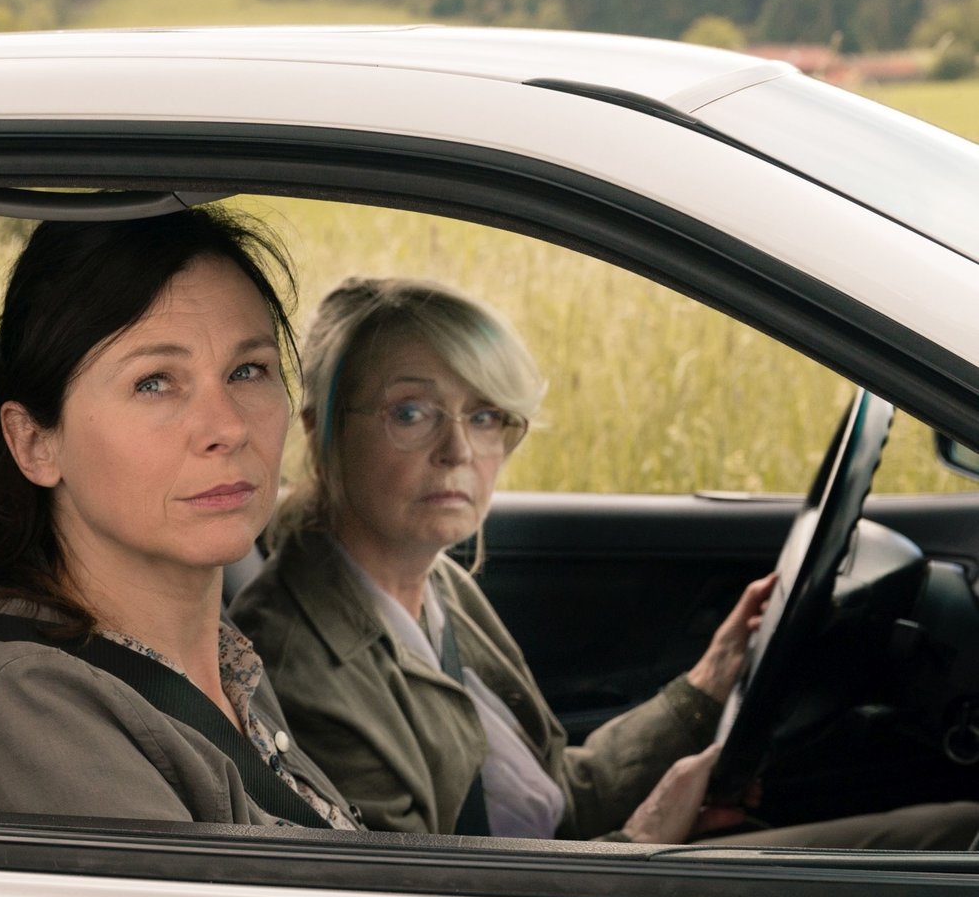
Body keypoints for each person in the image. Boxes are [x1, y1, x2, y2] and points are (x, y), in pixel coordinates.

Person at [230, 276, 979, 848]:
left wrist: (705, 685)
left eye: (485, 415)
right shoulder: (299, 665)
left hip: (574, 891)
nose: (458, 451)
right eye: (410, 412)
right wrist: (645, 836)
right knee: (953, 838)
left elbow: (558, 792)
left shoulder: (436, 587)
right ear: (319, 430)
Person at [0, 209, 361, 829]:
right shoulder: (28, 704)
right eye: (155, 383)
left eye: (248, 371)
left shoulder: (220, 664)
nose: (229, 428)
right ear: (35, 444)